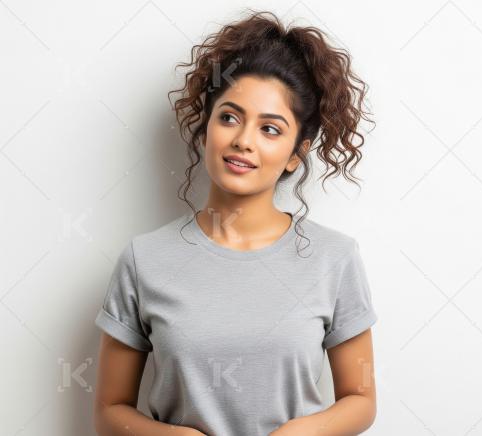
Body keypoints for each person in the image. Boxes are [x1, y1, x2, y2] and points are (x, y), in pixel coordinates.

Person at [92, 9, 378, 436]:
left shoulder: (335, 259)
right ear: (205, 129)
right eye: (229, 117)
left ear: (296, 153)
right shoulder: (144, 260)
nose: (244, 140)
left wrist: (300, 433)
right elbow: (109, 410)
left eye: (270, 129)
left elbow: (362, 399)